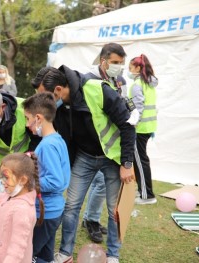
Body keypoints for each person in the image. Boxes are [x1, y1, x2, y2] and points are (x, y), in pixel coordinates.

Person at [31, 66, 135, 263]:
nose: (43, 102)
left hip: (112, 157)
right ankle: (65, 253)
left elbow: (127, 124)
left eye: (45, 96)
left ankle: (113, 255)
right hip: (84, 157)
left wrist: (127, 162)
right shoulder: (58, 106)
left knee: (115, 210)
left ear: (59, 90)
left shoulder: (98, 89)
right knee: (71, 206)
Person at [80, 43, 128, 243]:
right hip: (93, 142)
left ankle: (90, 218)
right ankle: (90, 219)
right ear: (103, 61)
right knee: (99, 183)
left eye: (121, 63)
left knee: (101, 184)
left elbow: (124, 106)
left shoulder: (120, 81)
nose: (119, 66)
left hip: (112, 142)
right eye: (115, 62)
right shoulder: (89, 79)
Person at [22, 92, 70, 263]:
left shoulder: (48, 145)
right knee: (45, 255)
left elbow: (55, 181)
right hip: (52, 211)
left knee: (27, 255)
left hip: (45, 213)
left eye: (28, 119)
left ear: (38, 118)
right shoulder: (57, 140)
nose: (27, 125)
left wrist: (26, 182)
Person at [127, 54, 158, 205]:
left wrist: (132, 125)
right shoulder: (148, 83)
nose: (128, 70)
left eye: (130, 67)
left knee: (139, 160)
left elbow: (138, 108)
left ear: (138, 68)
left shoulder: (137, 84)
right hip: (148, 127)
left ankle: (147, 196)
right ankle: (143, 191)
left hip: (139, 128)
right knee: (141, 159)